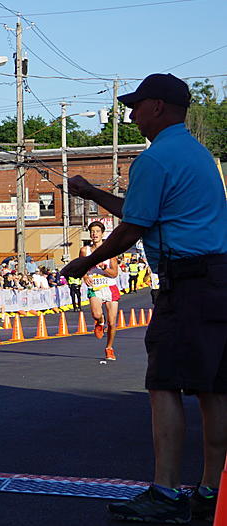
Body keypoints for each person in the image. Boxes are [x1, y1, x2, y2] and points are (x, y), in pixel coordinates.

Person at [61, 73, 227, 523]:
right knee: (214, 388)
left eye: (136, 107)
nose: (131, 115)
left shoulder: (154, 161)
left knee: (164, 384)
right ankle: (212, 490)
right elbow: (144, 214)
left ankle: (167, 494)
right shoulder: (197, 155)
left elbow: (133, 230)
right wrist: (94, 193)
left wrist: (83, 263)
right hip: (216, 277)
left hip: (187, 282)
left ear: (157, 106)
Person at [80, 221, 120, 361]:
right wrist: (85, 276)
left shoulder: (111, 251)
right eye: (92, 231)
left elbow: (114, 274)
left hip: (109, 286)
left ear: (102, 234)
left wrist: (104, 268)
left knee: (112, 322)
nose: (94, 234)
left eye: (97, 231)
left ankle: (109, 348)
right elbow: (81, 267)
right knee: (97, 314)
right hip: (95, 287)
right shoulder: (85, 251)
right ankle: (99, 321)